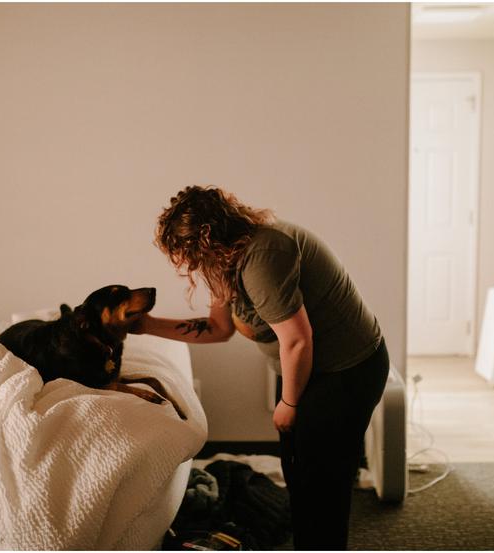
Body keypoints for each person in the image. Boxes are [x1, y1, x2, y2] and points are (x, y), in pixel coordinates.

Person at [133, 185, 390, 550]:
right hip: (313, 370)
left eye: (185, 254)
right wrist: (147, 325)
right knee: (300, 475)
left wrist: (290, 404)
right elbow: (219, 330)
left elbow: (298, 340)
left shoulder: (264, 256)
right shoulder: (225, 263)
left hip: (346, 370)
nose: (183, 265)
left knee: (323, 483)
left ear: (205, 243)